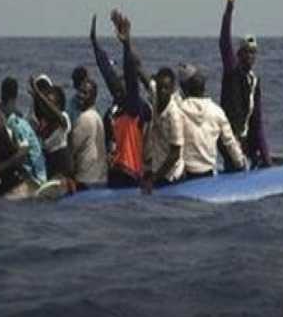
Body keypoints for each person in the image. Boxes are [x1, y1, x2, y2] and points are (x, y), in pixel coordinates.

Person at [113, 10, 184, 192]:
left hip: (171, 175)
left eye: (166, 88)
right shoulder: (155, 92)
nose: (161, 91)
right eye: (159, 87)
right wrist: (126, 42)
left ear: (172, 89)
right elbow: (137, 68)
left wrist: (154, 180)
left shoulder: (174, 115)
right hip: (156, 167)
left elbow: (175, 154)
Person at [90, 13, 149, 188]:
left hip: (132, 176)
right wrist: (95, 44)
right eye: (118, 83)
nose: (118, 85)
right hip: (114, 173)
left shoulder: (135, 108)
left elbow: (131, 75)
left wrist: (126, 44)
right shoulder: (115, 110)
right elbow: (107, 72)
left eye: (123, 83)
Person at [219, 0, 272, 168]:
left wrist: (266, 158)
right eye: (246, 52)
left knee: (259, 160)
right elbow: (224, 42)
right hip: (228, 140)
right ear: (239, 54)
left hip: (245, 141)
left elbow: (256, 121)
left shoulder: (254, 81)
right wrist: (230, 8)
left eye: (253, 52)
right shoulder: (232, 71)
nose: (250, 56)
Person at [176, 64, 247, 178]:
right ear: (204, 88)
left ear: (185, 89)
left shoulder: (179, 110)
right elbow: (230, 142)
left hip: (184, 173)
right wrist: (240, 163)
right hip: (208, 172)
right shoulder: (217, 111)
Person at [1, 77, 47, 184]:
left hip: (36, 178)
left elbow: (24, 151)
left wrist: (0, 167)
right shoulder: (12, 117)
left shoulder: (16, 123)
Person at [31, 75, 72, 182]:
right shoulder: (42, 123)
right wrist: (36, 98)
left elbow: (60, 117)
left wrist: (39, 94)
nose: (48, 106)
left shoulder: (64, 118)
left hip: (62, 162)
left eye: (51, 103)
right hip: (49, 163)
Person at [68, 79, 107, 189]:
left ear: (93, 97)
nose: (80, 95)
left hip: (86, 179)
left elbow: (72, 149)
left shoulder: (84, 118)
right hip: (100, 178)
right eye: (79, 91)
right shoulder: (97, 116)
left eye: (85, 93)